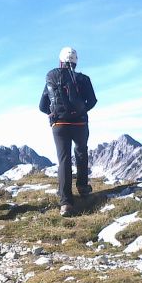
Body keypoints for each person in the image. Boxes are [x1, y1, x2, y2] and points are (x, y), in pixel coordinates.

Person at [39, 46, 97, 216]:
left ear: (60, 61)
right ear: (75, 62)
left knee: (63, 160)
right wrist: (81, 111)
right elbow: (92, 100)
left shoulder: (51, 78)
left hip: (59, 125)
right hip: (79, 124)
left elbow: (42, 105)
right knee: (81, 153)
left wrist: (53, 113)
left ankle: (65, 203)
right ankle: (83, 187)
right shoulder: (83, 79)